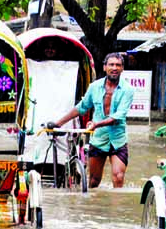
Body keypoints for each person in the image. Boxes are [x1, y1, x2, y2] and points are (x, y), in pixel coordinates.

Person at [51, 52, 134, 188]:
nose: (114, 68)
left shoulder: (128, 89)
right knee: (94, 181)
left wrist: (96, 124)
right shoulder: (94, 87)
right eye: (111, 65)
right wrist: (59, 123)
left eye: (118, 65)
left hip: (118, 140)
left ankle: (115, 207)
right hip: (99, 139)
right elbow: (82, 107)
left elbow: (118, 116)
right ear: (104, 67)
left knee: (118, 177)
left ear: (122, 69)